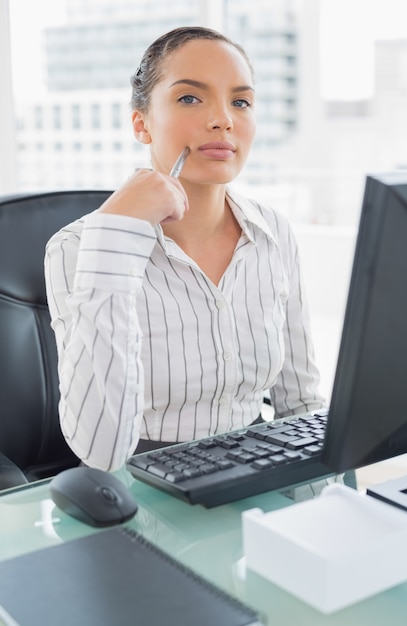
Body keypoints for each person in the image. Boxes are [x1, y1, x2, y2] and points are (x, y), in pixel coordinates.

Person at [45, 26, 325, 472]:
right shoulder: (77, 248)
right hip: (139, 481)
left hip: (259, 469)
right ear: (142, 123)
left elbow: (301, 401)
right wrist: (114, 239)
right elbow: (101, 451)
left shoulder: (274, 231)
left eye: (241, 101)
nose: (223, 120)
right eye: (190, 98)